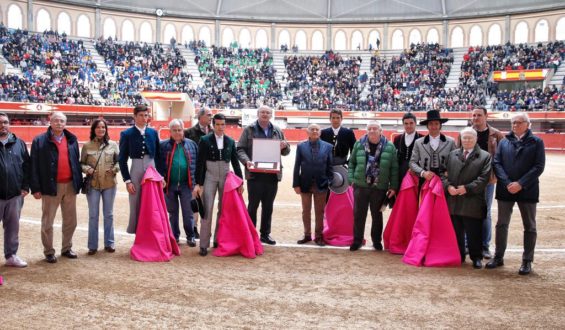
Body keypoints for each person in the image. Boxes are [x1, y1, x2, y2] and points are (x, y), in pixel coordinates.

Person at [487, 113, 545, 275]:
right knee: (501, 224)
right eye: (513, 123)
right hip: (506, 188)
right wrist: (507, 183)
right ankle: (498, 257)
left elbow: (539, 166)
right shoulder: (505, 142)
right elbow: (497, 163)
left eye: (518, 122)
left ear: (528, 124)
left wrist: (520, 183)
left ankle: (527, 261)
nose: (515, 125)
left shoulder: (537, 142)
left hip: (527, 189)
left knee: (530, 226)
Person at [30, 112, 82, 263]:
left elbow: (75, 162)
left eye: (62, 121)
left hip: (70, 185)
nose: (59, 123)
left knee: (71, 221)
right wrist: (36, 188)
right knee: (48, 222)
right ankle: (49, 251)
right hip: (50, 186)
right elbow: (34, 165)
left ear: (65, 123)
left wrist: (78, 182)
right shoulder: (39, 140)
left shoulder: (72, 139)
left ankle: (66, 248)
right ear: (50, 122)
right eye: (56, 121)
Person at [237, 105, 291, 245]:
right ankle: (251, 233)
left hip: (272, 175)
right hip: (255, 174)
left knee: (268, 206)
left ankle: (265, 234)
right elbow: (240, 149)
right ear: (258, 114)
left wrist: (285, 146)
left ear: (271, 115)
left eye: (267, 112)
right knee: (253, 205)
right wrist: (247, 161)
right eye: (262, 112)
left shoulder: (277, 130)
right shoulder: (249, 129)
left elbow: (286, 151)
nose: (265, 114)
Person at [194, 113, 243, 256]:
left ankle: (218, 239)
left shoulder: (229, 140)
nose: (220, 127)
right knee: (207, 209)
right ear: (213, 125)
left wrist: (239, 181)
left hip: (226, 176)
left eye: (223, 125)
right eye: (217, 125)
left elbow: (235, 161)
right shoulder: (205, 139)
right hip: (210, 175)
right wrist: (199, 183)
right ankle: (203, 244)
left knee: (223, 210)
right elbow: (200, 163)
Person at [442, 127, 491, 269]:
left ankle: (476, 257)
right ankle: (459, 255)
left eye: (470, 137)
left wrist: (467, 188)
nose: (467, 140)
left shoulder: (485, 156)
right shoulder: (452, 155)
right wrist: (448, 187)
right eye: (464, 138)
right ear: (460, 139)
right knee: (456, 231)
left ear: (476, 139)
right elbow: (441, 173)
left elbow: (484, 178)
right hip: (454, 199)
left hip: (472, 200)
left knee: (473, 231)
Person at [348, 121, 399, 251]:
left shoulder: (390, 146)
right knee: (359, 214)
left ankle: (376, 241)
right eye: (369, 129)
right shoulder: (359, 144)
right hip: (360, 185)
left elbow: (394, 168)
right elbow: (352, 163)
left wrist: (393, 186)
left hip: (379, 186)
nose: (372, 131)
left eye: (374, 128)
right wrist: (351, 179)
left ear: (380, 131)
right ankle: (357, 240)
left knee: (377, 216)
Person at [468, 106, 504, 259]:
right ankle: (467, 245)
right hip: (468, 179)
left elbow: (502, 156)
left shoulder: (496, 135)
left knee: (485, 212)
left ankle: (484, 246)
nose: (476, 118)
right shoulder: (466, 133)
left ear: (486, 116)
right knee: (467, 212)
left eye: (479, 115)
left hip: (488, 180)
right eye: (474, 115)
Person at [119, 104, 160, 234]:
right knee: (135, 201)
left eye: (146, 115)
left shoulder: (153, 132)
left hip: (152, 168)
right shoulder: (127, 134)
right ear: (135, 116)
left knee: (152, 202)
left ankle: (151, 232)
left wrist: (161, 175)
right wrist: (127, 180)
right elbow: (122, 159)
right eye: (141, 115)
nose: (144, 118)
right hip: (136, 168)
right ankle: (136, 231)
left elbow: (158, 155)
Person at [80, 119, 119, 255]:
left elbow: (119, 162)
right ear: (93, 130)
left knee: (108, 215)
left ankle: (109, 243)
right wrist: (87, 169)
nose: (101, 130)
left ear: (106, 129)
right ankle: (92, 246)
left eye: (103, 127)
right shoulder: (87, 146)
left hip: (109, 184)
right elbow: (81, 164)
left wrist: (114, 169)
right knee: (93, 215)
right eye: (98, 127)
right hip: (93, 184)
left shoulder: (113, 145)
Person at [157, 119, 198, 247]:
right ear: (170, 131)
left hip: (187, 184)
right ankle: (174, 236)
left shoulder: (192, 145)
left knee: (188, 212)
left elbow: (197, 165)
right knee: (173, 213)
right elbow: (158, 164)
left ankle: (190, 236)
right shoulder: (163, 146)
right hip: (169, 185)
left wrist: (197, 183)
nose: (177, 132)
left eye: (179, 130)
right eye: (174, 130)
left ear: (183, 130)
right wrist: (161, 178)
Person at [293, 124, 333, 246]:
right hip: (305, 183)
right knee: (306, 211)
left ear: (320, 132)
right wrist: (296, 184)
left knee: (320, 212)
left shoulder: (328, 147)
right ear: (308, 132)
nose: (315, 131)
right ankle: (307, 235)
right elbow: (297, 166)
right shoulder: (301, 146)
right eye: (312, 129)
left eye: (317, 129)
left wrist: (329, 181)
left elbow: (329, 166)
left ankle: (319, 236)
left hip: (321, 183)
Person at [0, 112, 30, 267]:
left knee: (13, 227)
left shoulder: (19, 143)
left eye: (5, 122)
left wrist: (25, 186)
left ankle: (11, 256)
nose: (2, 125)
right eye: (0, 123)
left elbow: (26, 166)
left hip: (14, 194)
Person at [184, 107, 213, 238]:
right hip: (195, 172)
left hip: (211, 172)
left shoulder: (214, 132)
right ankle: (193, 227)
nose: (210, 117)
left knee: (208, 201)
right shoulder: (189, 132)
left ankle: (205, 228)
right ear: (200, 117)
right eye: (208, 115)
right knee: (195, 201)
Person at [410, 110, 456, 186]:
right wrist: (423, 172)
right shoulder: (418, 142)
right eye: (431, 124)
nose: (434, 126)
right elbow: (412, 162)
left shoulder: (450, 141)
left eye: (436, 124)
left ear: (440, 125)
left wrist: (449, 171)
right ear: (427, 126)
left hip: (444, 180)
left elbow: (455, 161)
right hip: (425, 179)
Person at [393, 112, 422, 182]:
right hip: (400, 175)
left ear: (415, 123)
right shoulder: (397, 139)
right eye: (406, 123)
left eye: (411, 123)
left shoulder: (422, 139)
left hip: (416, 175)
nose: (409, 126)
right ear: (403, 124)